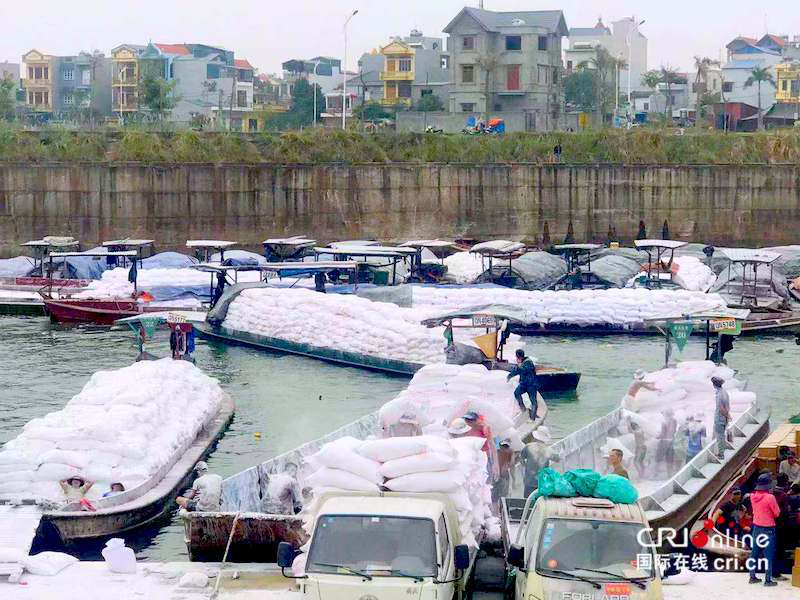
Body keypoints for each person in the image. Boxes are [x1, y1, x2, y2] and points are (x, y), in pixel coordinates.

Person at [748, 473, 783, 586]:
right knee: (768, 555)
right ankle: (768, 580)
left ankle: (752, 577)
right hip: (768, 529)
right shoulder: (770, 497)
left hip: (756, 528)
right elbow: (777, 513)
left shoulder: (752, 496)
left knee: (754, 553)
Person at [521, 427, 556, 498]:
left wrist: (526, 466)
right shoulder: (548, 450)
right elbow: (557, 459)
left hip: (529, 481)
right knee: (540, 503)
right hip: (542, 483)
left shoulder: (528, 447)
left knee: (528, 502)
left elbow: (521, 459)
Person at [507, 349, 538, 420]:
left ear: (519, 356)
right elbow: (518, 370)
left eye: (516, 356)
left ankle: (533, 418)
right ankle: (523, 410)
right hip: (524, 384)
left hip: (531, 385)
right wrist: (510, 376)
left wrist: (517, 367)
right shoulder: (522, 362)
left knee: (533, 400)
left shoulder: (528, 362)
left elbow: (521, 370)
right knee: (516, 393)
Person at [712, 376, 731, 459]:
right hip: (724, 417)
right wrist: (728, 416)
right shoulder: (725, 392)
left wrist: (727, 416)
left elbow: (721, 408)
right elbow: (726, 407)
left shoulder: (719, 395)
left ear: (714, 385)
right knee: (722, 435)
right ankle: (722, 451)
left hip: (720, 418)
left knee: (720, 436)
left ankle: (721, 454)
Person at [656, 408, 677, 475]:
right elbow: (674, 431)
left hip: (664, 442)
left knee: (658, 458)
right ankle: (669, 474)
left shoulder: (664, 422)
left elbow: (662, 434)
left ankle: (655, 474)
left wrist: (657, 437)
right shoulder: (674, 421)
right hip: (672, 441)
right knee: (670, 459)